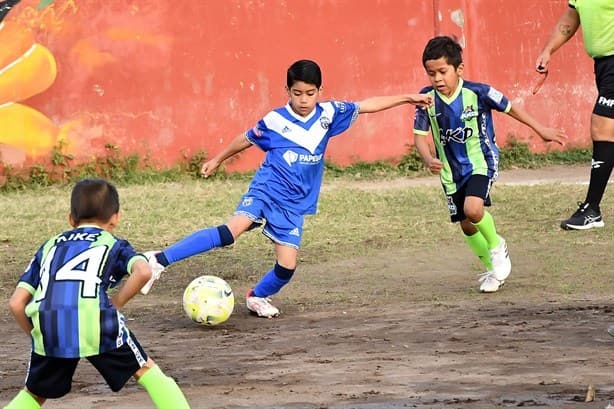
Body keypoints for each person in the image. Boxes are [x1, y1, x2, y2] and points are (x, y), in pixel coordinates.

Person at [140, 59, 433, 318]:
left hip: (294, 203)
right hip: (267, 189)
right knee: (231, 232)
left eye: (310, 93)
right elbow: (245, 138)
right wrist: (217, 160)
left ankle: (257, 297)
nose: (304, 99)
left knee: (287, 266)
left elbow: (367, 105)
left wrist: (408, 98)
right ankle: (159, 259)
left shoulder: (329, 114)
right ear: (287, 91)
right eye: (297, 93)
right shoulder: (276, 120)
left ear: (320, 90)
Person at [4, 179, 190, 409]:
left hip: (49, 323)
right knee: (148, 372)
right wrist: (117, 302)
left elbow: (16, 303)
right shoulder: (113, 244)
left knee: (33, 394)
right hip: (97, 320)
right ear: (116, 217)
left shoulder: (49, 245)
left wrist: (37, 336)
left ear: (71, 219)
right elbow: (143, 271)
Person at [413, 36, 567, 293]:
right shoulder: (426, 98)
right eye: (431, 74)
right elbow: (419, 137)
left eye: (442, 72)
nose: (437, 79)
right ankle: (493, 270)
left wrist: (541, 129)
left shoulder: (480, 93)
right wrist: (429, 159)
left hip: (481, 163)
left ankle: (497, 246)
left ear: (458, 69)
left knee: (473, 209)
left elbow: (511, 108)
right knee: (465, 223)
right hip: (451, 172)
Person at [536, 0, 614, 230]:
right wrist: (548, 50)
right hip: (603, 65)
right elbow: (571, 18)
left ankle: (592, 208)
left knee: (602, 126)